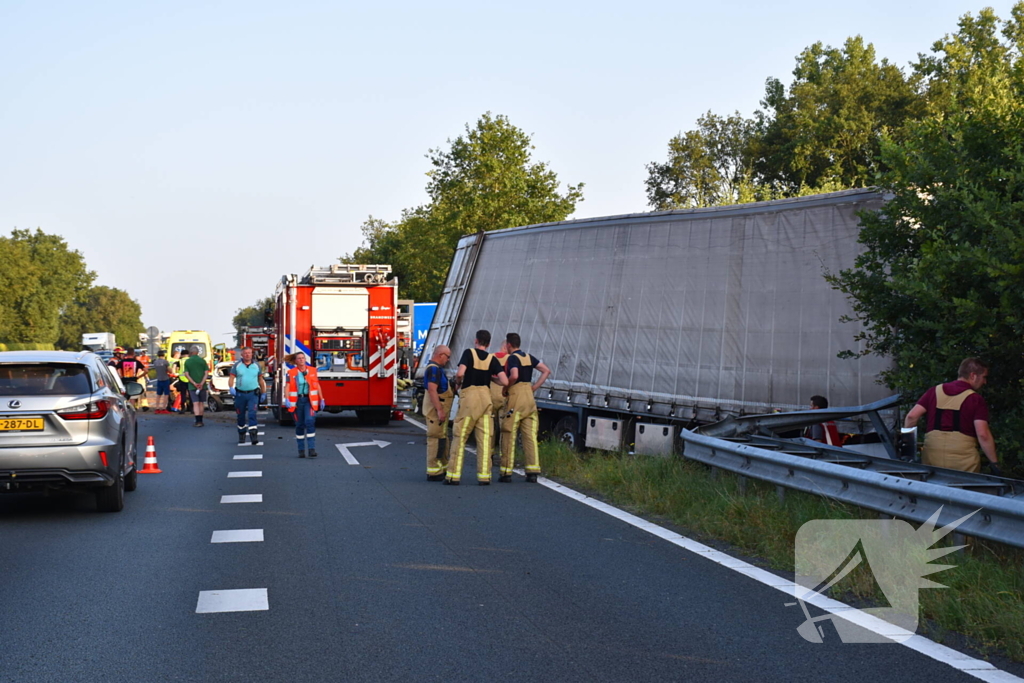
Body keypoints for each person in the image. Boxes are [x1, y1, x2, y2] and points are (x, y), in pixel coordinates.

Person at [903, 358, 1000, 475]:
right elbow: (983, 435)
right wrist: (994, 464)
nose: (985, 382)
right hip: (963, 461)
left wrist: (907, 451)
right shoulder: (976, 399)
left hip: (932, 457)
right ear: (973, 376)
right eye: (984, 377)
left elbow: (911, 417)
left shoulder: (934, 391)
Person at [445, 330, 508, 486]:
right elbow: (505, 381)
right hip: (485, 399)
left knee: (460, 437)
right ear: (489, 343)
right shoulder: (492, 359)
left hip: (469, 399)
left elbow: (460, 373)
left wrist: (458, 382)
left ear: (476, 340)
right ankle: (484, 476)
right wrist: (490, 377)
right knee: (485, 439)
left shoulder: (469, 353)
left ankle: (453, 476)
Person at [498, 333, 551, 483]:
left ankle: (506, 472)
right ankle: (532, 472)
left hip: (516, 397)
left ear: (508, 345)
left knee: (508, 432)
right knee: (530, 436)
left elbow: (514, 375)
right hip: (529, 398)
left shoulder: (512, 358)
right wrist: (534, 387)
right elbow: (546, 371)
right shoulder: (529, 357)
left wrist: (505, 387)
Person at [283, 351, 324, 458]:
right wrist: (286, 399)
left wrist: (322, 398)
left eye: (303, 358)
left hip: (309, 401)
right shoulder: (291, 373)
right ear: (295, 361)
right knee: (299, 425)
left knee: (310, 421)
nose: (301, 360)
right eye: (299, 358)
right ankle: (301, 450)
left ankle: (311, 449)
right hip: (297, 402)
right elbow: (287, 386)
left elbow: (317, 385)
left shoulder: (312, 370)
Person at [423, 345, 453, 481]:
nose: (448, 360)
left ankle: (441, 467)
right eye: (447, 357)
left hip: (439, 410)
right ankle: (434, 471)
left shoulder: (437, 369)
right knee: (435, 439)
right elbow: (432, 390)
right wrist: (440, 410)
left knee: (442, 438)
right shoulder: (433, 369)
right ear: (440, 355)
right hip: (435, 411)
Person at [229, 346, 267, 446]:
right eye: (245, 353)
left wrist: (263, 392)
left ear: (252, 354)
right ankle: (241, 434)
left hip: (253, 394)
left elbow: (260, 380)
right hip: (240, 394)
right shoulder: (237, 365)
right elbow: (231, 378)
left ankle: (254, 436)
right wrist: (231, 387)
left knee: (252, 414)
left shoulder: (256, 365)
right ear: (242, 354)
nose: (247, 355)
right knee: (240, 415)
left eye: (249, 353)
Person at [183, 346, 210, 427]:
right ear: (198, 352)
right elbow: (206, 373)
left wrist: (194, 383)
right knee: (201, 403)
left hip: (192, 386)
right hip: (202, 386)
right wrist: (201, 383)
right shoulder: (202, 361)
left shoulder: (187, 361)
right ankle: (201, 421)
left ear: (191, 352)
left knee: (195, 403)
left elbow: (187, 374)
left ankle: (197, 421)